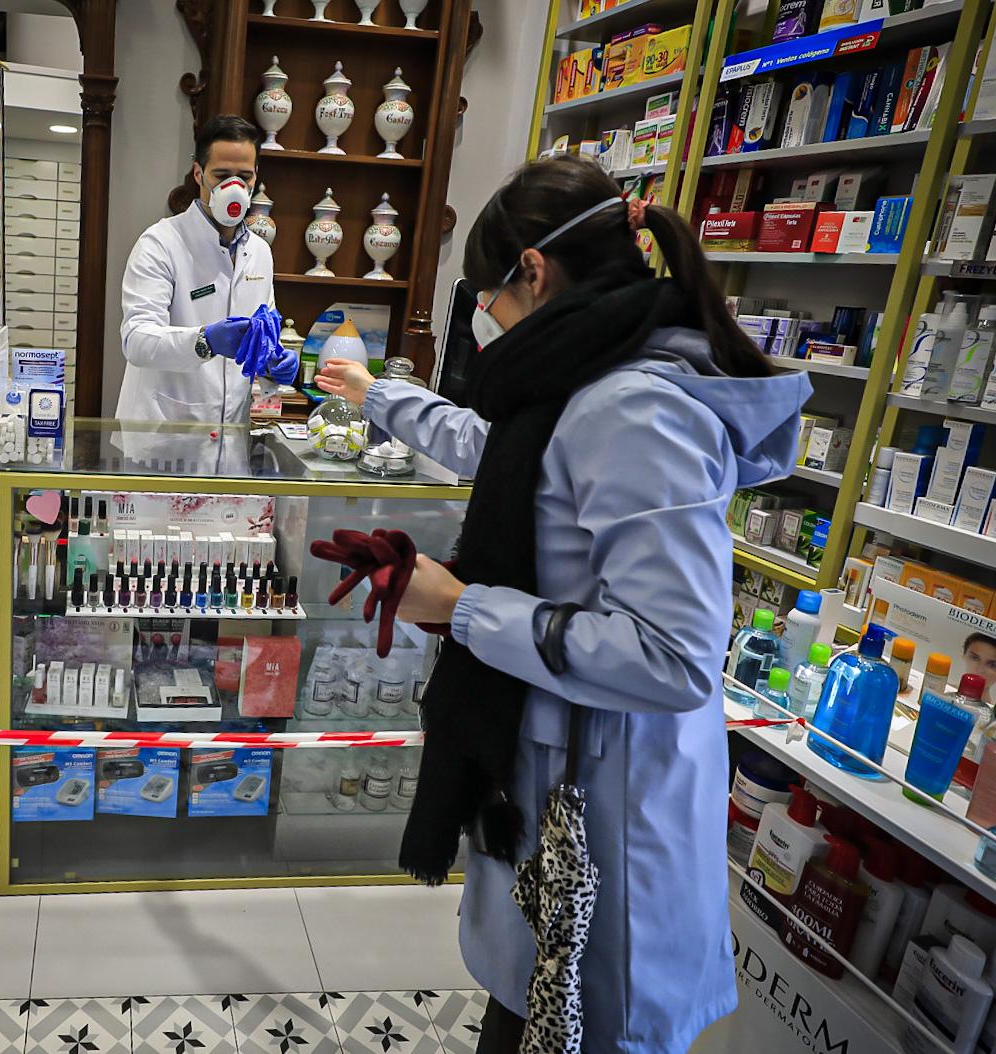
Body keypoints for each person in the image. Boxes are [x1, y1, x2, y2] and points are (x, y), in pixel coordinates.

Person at [316, 156, 811, 1054]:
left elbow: (674, 656)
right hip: (561, 794)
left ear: (533, 273)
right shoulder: (585, 375)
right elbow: (500, 450)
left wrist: (465, 605)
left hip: (604, 818)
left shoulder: (635, 408)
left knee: (573, 1021)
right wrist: (379, 397)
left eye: (488, 299)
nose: (487, 322)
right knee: (534, 1010)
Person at [117, 114, 296, 425]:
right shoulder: (160, 243)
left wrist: (270, 363)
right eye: (222, 175)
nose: (235, 187)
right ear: (198, 173)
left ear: (256, 176)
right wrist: (205, 341)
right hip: (163, 436)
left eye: (244, 176)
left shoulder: (260, 252)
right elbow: (137, 340)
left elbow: (260, 335)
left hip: (229, 437)